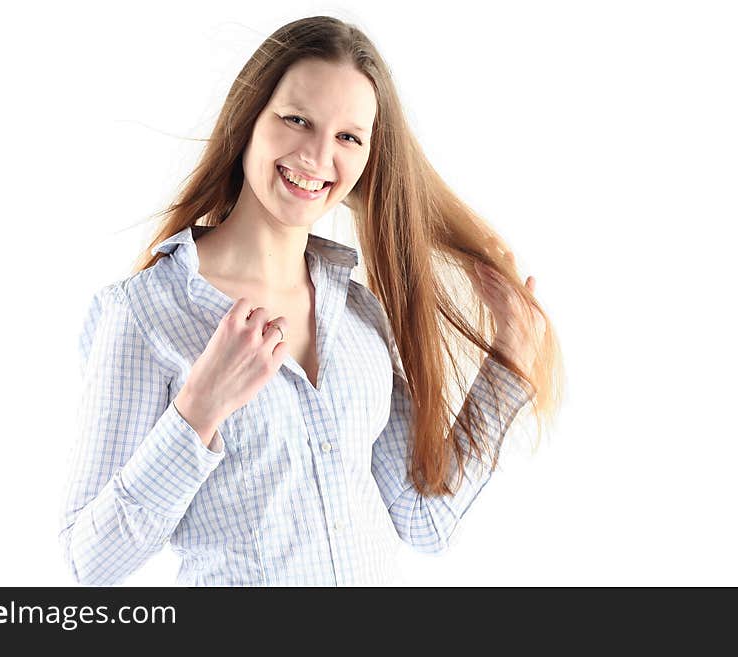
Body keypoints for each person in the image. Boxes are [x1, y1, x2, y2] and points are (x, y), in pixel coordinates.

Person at [58, 15, 563, 586]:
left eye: (349, 137)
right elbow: (89, 563)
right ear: (250, 119)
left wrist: (511, 356)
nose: (318, 157)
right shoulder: (144, 314)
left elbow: (424, 518)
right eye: (297, 120)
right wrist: (199, 409)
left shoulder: (357, 315)